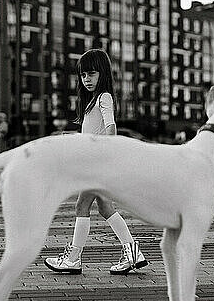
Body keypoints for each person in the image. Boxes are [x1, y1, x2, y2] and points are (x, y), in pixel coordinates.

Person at [44, 48, 148, 275]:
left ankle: (73, 259)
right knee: (104, 207)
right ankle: (133, 252)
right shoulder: (92, 101)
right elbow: (94, 133)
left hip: (97, 164)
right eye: (83, 75)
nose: (86, 79)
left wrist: (105, 153)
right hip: (98, 164)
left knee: (82, 206)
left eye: (91, 74)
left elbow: (111, 127)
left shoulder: (104, 98)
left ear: (102, 73)